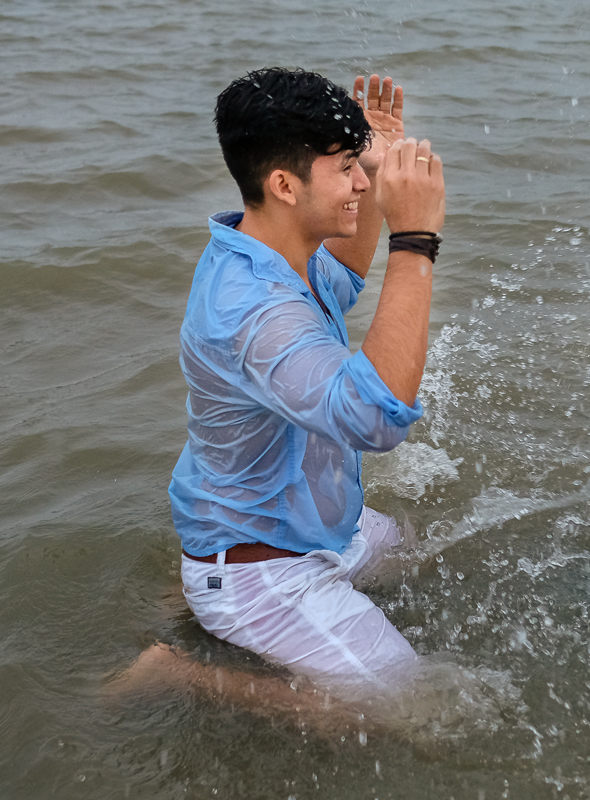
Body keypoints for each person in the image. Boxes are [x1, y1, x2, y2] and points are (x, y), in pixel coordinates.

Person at [166, 67, 444, 687]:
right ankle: (180, 672)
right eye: (346, 168)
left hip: (309, 527)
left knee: (418, 551)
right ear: (284, 185)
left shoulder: (267, 246)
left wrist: (367, 158)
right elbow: (374, 418)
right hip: (262, 568)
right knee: (418, 707)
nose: (364, 182)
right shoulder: (252, 310)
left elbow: (341, 278)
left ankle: (193, 597)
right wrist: (415, 239)